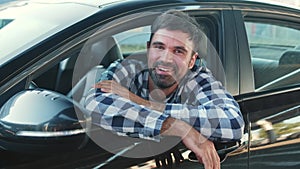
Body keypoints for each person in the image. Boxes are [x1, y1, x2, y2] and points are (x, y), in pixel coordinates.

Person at [85, 10, 244, 169]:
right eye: (159, 47)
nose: (165, 59)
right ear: (148, 49)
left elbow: (233, 122)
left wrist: (144, 104)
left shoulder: (197, 79)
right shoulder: (126, 68)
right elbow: (95, 104)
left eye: (178, 51)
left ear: (191, 61)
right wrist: (179, 127)